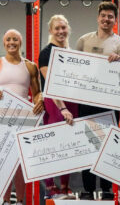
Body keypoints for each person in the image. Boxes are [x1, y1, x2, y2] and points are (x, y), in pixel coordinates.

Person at [0, 29, 44, 205]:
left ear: (20, 42)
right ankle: (6, 201)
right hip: (0, 121)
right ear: (4, 42)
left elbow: (37, 92)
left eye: (15, 39)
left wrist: (41, 100)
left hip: (23, 120)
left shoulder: (30, 66)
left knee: (19, 163)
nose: (11, 42)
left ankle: (20, 201)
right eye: (8, 39)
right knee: (3, 161)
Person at [76, 1, 120, 200]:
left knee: (107, 145)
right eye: (103, 15)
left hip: (110, 103)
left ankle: (107, 188)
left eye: (110, 16)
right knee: (87, 144)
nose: (106, 19)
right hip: (86, 100)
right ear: (98, 17)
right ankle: (88, 190)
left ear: (115, 20)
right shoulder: (83, 41)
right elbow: (75, 69)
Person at [38, 15, 77, 198]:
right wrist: (62, 108)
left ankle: (65, 186)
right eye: (57, 28)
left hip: (72, 102)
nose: (61, 31)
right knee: (53, 144)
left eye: (63, 27)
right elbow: (51, 85)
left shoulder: (71, 52)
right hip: (55, 103)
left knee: (68, 143)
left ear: (68, 28)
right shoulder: (46, 53)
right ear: (50, 31)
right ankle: (50, 186)